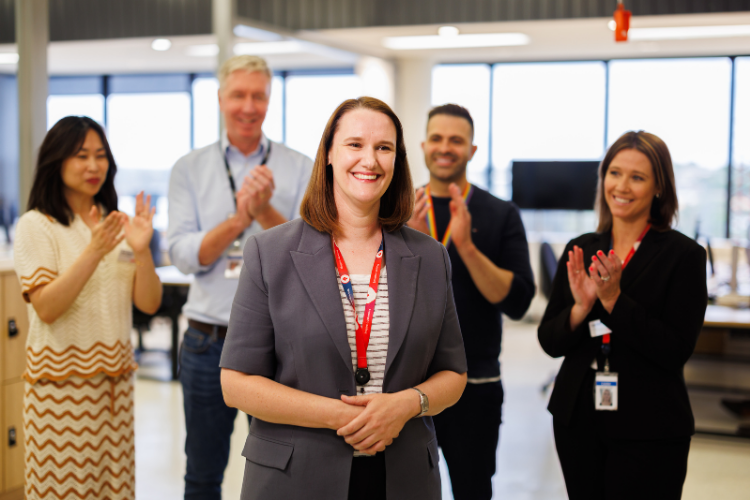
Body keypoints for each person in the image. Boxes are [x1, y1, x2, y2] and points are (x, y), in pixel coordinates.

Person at [219, 96, 468, 500]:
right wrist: (344, 416)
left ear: (397, 161)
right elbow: (237, 384)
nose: (369, 160)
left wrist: (405, 404)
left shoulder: (430, 257)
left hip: (401, 477)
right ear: (329, 154)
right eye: (355, 144)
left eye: (383, 148)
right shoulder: (270, 252)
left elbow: (453, 375)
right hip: (295, 478)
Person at [167, 55, 313, 499]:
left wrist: (266, 209)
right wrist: (238, 219)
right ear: (219, 99)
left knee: (283, 474)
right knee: (203, 473)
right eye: (238, 95)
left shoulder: (300, 166)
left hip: (279, 344)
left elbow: (309, 256)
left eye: (258, 96)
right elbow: (182, 255)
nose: (248, 106)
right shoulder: (189, 169)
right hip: (206, 341)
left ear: (269, 100)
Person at [538, 131, 708, 500]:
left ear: (659, 187)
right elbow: (549, 342)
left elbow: (675, 349)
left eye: (638, 177)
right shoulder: (581, 248)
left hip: (651, 428)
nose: (622, 186)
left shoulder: (684, 255)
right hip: (577, 419)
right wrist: (581, 308)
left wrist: (614, 300)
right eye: (614, 173)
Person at [14, 116, 163, 500]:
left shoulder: (117, 225)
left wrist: (142, 251)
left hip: (113, 389)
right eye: (81, 156)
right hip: (60, 392)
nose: (94, 166)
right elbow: (47, 307)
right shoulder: (36, 225)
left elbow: (148, 303)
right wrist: (95, 251)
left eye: (101, 156)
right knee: (62, 491)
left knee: (114, 490)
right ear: (56, 160)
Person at [406, 103, 535, 500]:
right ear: (425, 145)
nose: (446, 148)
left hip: (474, 383)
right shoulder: (399, 210)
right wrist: (407, 242)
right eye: (438, 139)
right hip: (406, 386)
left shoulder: (500, 213)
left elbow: (516, 302)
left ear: (472, 150)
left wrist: (466, 246)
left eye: (456, 140)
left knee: (473, 489)